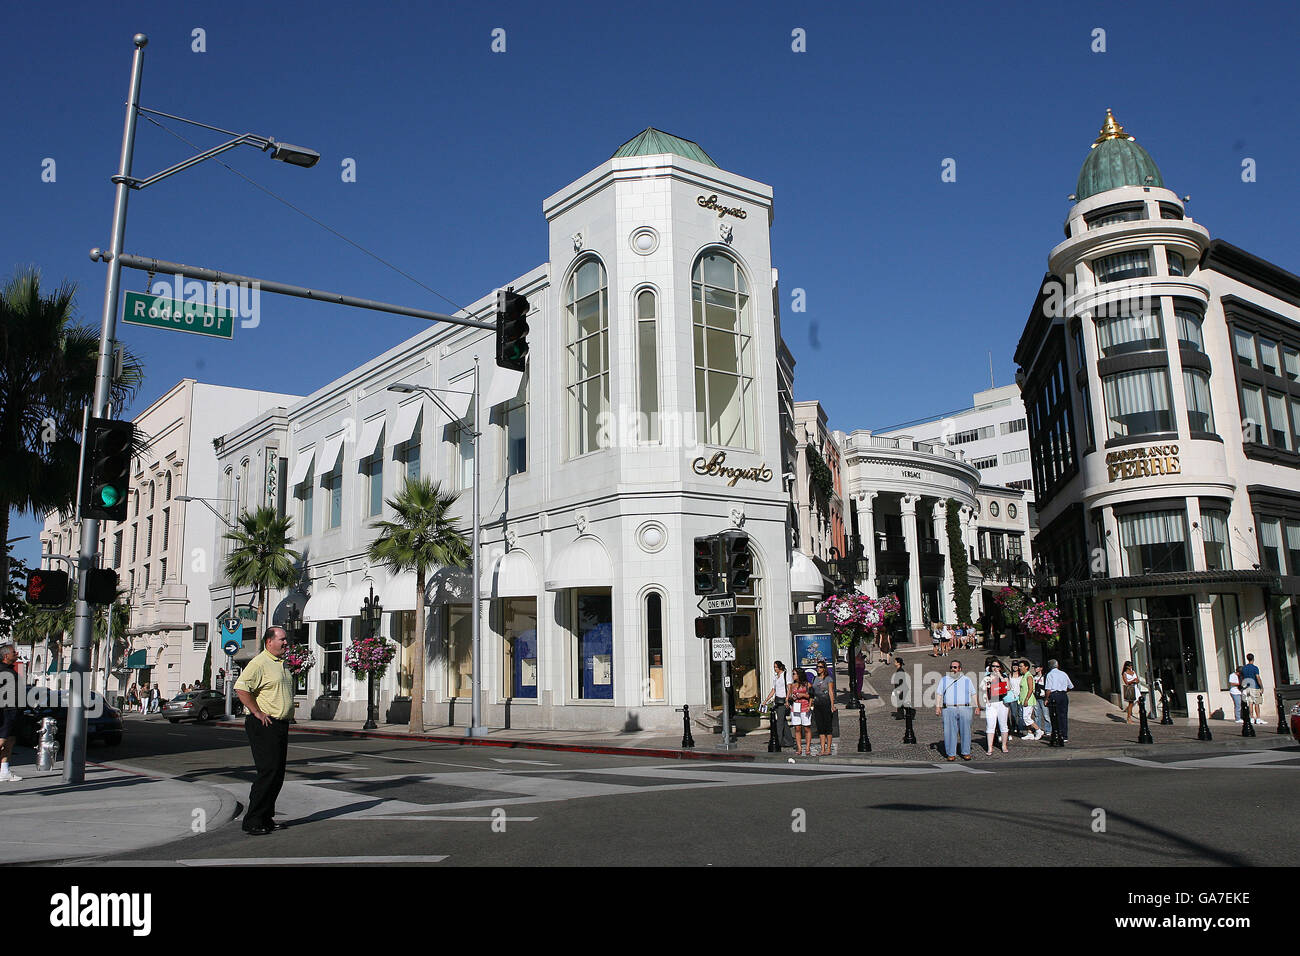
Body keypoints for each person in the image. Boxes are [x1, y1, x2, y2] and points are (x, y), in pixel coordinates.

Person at [234, 627, 296, 835]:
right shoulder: (260, 662)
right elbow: (241, 687)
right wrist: (257, 712)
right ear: (269, 642)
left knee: (277, 774)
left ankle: (266, 818)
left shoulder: (280, 663)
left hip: (280, 724)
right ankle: (252, 820)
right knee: (267, 772)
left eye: (286, 639)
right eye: (282, 639)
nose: (286, 643)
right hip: (264, 724)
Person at [935, 659, 979, 761]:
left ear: (960, 669)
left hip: (965, 707)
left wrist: (977, 706)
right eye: (951, 667)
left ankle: (966, 752)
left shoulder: (967, 680)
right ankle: (951, 753)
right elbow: (939, 694)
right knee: (949, 732)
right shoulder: (944, 680)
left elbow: (973, 693)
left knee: (966, 731)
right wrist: (938, 707)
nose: (952, 669)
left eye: (955, 667)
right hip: (949, 708)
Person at [761, 661, 796, 749]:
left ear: (780, 667)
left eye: (776, 667)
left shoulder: (785, 675)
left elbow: (789, 688)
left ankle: (778, 740)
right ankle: (789, 741)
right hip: (777, 700)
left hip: (783, 700)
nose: (775, 669)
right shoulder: (776, 677)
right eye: (774, 667)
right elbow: (774, 690)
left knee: (779, 722)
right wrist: (766, 700)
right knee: (783, 721)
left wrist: (787, 699)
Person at [1, 644, 22, 782]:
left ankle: (4, 771)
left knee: (10, 741)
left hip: (14, 710)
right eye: (14, 652)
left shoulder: (11, 670)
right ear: (6, 655)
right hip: (5, 710)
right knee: (2, 740)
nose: (17, 653)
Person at [983, 660, 1011, 754]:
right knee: (990, 725)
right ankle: (990, 747)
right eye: (993, 666)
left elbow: (1008, 687)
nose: (995, 668)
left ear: (1000, 667)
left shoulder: (1004, 676)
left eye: (997, 666)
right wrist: (986, 701)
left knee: (1003, 725)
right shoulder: (987, 677)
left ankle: (1004, 745)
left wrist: (999, 676)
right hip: (991, 703)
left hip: (1002, 702)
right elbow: (984, 690)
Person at [1044, 659, 1074, 743]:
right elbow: (1071, 686)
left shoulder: (1050, 675)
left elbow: (1048, 689)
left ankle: (1057, 734)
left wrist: (1046, 699)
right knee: (1063, 715)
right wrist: (1064, 691)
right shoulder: (1063, 674)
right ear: (1057, 665)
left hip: (1054, 695)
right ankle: (1064, 735)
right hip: (1063, 695)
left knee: (1054, 716)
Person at [811, 660, 836, 756]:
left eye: (820, 667)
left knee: (828, 727)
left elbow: (830, 692)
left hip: (826, 703)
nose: (818, 668)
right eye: (817, 667)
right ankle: (822, 749)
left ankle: (828, 748)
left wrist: (832, 705)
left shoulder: (828, 679)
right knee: (820, 727)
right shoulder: (814, 679)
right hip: (817, 704)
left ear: (824, 668)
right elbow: (812, 692)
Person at [789, 667, 813, 756]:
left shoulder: (807, 684)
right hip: (795, 707)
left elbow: (811, 696)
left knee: (806, 728)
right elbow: (790, 696)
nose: (793, 676)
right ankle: (799, 748)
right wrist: (792, 697)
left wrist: (803, 695)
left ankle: (807, 747)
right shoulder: (792, 685)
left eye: (794, 674)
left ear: (799, 675)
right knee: (797, 728)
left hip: (804, 707)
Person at [1018, 661, 1043, 740]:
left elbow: (1031, 689)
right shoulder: (1024, 676)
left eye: (1021, 666)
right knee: (1026, 717)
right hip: (1022, 699)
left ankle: (1038, 730)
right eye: (1019, 666)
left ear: (1026, 667)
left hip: (1028, 700)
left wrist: (1026, 699)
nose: (1019, 668)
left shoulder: (1029, 676)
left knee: (1026, 718)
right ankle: (1030, 733)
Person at [1239, 654, 1264, 724]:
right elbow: (1258, 678)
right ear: (1253, 659)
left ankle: (1251, 717)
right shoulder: (1255, 668)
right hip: (1255, 686)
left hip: (1248, 687)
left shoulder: (1244, 668)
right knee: (1256, 703)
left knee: (1250, 703)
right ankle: (1258, 718)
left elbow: (1242, 678)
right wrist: (1261, 686)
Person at [1032, 664, 1052, 736]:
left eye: (1036, 667)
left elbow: (1048, 687)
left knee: (1046, 715)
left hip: (1043, 698)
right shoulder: (1033, 677)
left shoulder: (1045, 677)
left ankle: (1048, 730)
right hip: (1036, 698)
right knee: (1037, 715)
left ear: (1041, 668)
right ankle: (1038, 729)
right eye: (1034, 667)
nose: (1035, 669)